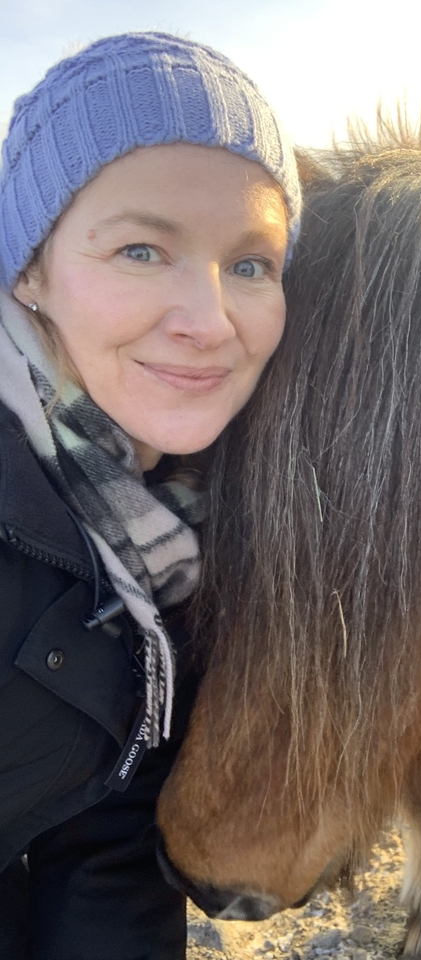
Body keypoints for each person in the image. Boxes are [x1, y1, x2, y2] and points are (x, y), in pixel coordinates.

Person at [0, 32, 300, 959]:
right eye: (140, 248)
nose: (211, 322)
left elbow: (105, 829)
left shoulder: (164, 513)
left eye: (251, 265)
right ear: (30, 271)